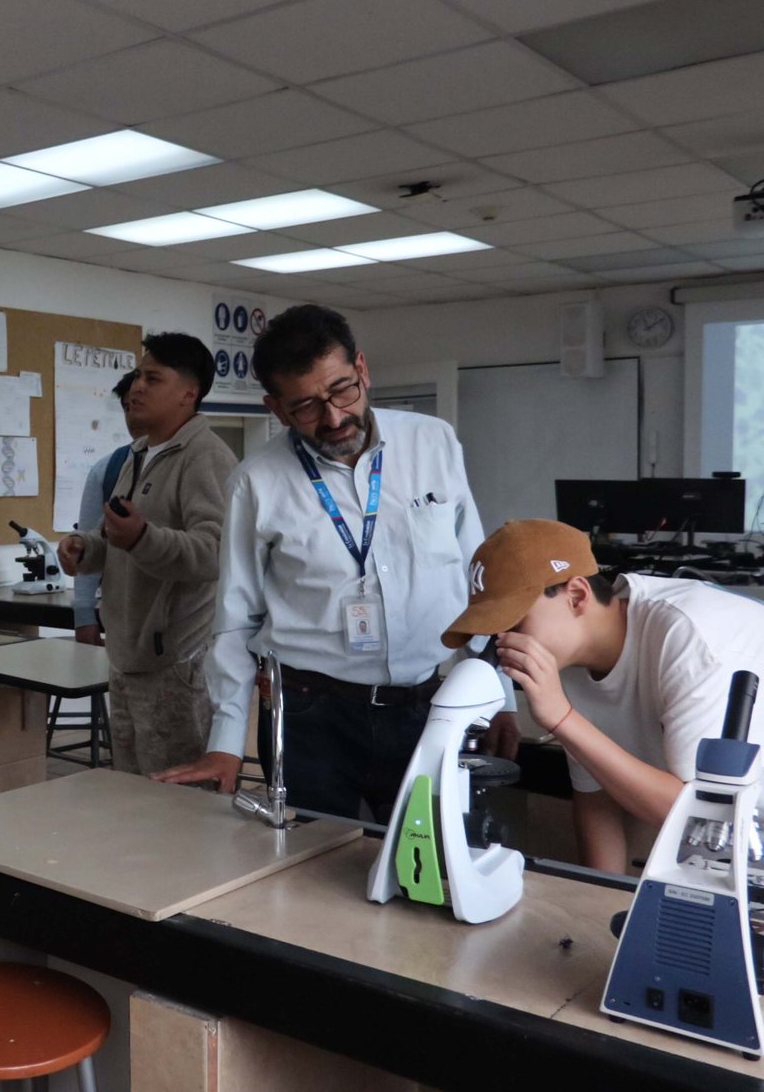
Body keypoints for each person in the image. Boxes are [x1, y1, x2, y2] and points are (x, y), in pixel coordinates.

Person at [157, 304, 516, 822]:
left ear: (362, 370)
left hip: (428, 706)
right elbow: (235, 621)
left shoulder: (433, 442)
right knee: (312, 857)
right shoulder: (256, 483)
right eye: (305, 406)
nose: (333, 418)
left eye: (342, 390)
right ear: (277, 409)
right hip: (311, 717)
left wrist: (499, 694)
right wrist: (226, 741)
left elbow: (478, 581)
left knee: (426, 856)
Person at [444, 518, 764, 873]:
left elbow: (697, 816)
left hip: (743, 835)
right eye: (494, 633)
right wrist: (598, 896)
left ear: (577, 596)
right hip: (729, 839)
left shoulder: (687, 637)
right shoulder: (568, 659)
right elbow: (596, 802)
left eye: (514, 624)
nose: (504, 644)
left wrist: (563, 719)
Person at [56, 333, 237, 774]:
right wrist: (87, 549)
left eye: (153, 379)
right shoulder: (139, 453)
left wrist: (141, 538)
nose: (137, 387)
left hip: (175, 664)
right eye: (138, 376)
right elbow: (117, 538)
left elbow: (216, 552)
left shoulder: (205, 456)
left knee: (176, 798)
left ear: (188, 393)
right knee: (132, 793)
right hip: (126, 657)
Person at [72, 369, 142, 647]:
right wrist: (83, 615)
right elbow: (89, 545)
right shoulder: (106, 469)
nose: (132, 415)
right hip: (121, 615)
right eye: (126, 407)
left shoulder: (197, 462)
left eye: (138, 404)